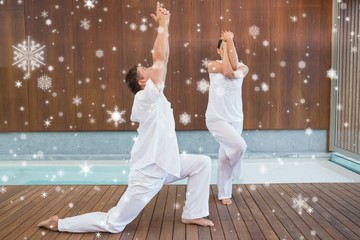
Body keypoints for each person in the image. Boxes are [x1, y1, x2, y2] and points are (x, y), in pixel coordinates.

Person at [38, 2, 214, 233]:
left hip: (167, 164)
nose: (151, 67)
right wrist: (163, 25)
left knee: (202, 163)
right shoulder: (146, 97)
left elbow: (164, 58)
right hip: (149, 174)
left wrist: (165, 28)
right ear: (142, 82)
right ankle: (59, 223)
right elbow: (161, 58)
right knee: (114, 224)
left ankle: (193, 213)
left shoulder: (155, 95)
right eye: (145, 69)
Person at [205, 31, 249, 205]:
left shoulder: (244, 68)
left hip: (236, 118)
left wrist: (229, 43)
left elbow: (235, 71)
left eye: (230, 48)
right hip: (216, 118)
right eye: (222, 48)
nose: (227, 51)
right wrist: (227, 46)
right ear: (218, 51)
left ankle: (224, 194)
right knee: (240, 145)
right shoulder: (212, 65)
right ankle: (237, 171)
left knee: (224, 157)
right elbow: (229, 73)